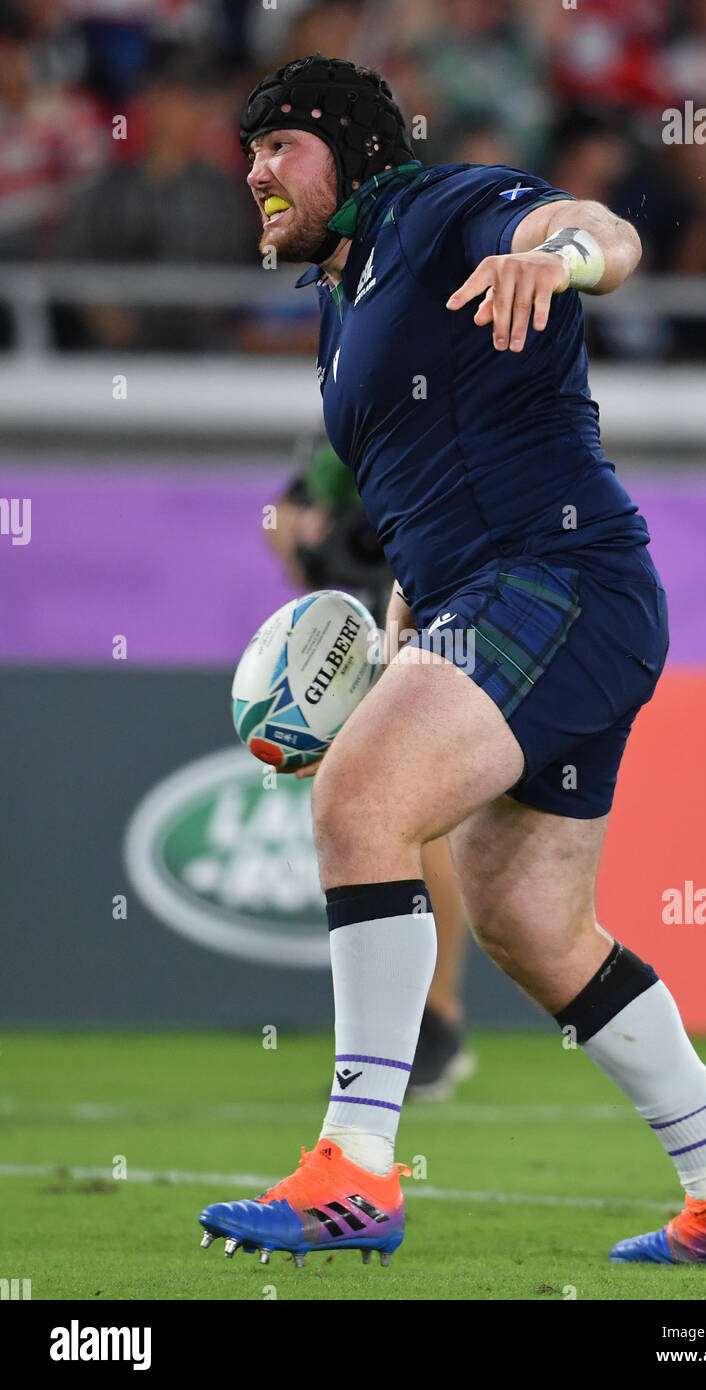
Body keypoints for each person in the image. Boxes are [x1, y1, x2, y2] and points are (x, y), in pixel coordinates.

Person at [199, 55, 706, 1270]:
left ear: (354, 152)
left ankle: (357, 1170)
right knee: (531, 921)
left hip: (557, 582)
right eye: (250, 152)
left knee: (361, 799)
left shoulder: (436, 208)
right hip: (506, 601)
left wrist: (565, 254)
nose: (257, 173)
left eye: (282, 148)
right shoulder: (340, 313)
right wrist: (405, 644)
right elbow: (421, 510)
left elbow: (596, 231)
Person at [265, 440, 475, 1097]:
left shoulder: (445, 424)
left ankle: (436, 1016)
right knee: (381, 814)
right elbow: (278, 514)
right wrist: (304, 549)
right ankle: (404, 1026)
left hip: (445, 616)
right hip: (370, 625)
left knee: (423, 819)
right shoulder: (351, 429)